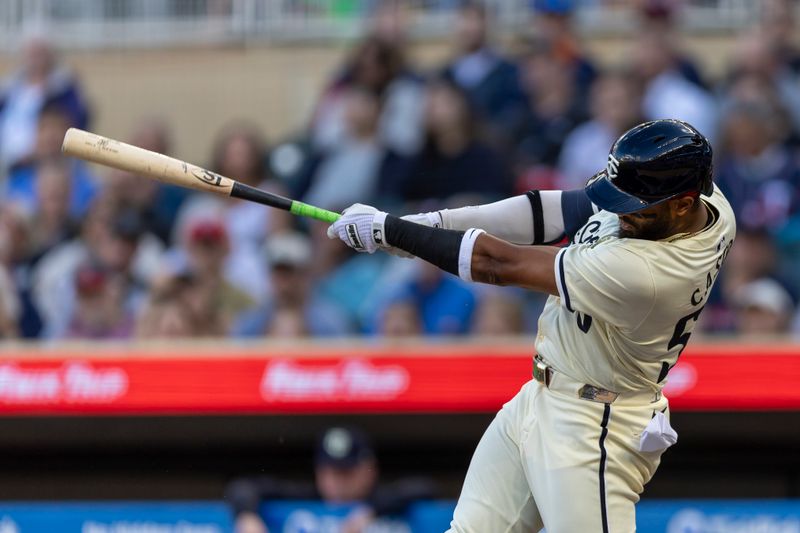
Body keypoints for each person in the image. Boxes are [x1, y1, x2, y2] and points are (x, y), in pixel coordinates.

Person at [327, 119, 736, 531]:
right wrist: (427, 224)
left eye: (632, 205)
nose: (618, 210)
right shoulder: (705, 203)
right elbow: (552, 212)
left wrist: (394, 231)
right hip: (541, 396)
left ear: (682, 203)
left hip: (594, 427)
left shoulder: (647, 276)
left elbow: (499, 263)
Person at [225, 426, 436, 533]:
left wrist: (371, 511)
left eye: (346, 472)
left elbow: (424, 487)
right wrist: (247, 515)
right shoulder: (308, 496)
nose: (337, 481)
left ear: (368, 470)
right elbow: (241, 487)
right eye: (329, 471)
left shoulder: (383, 499)